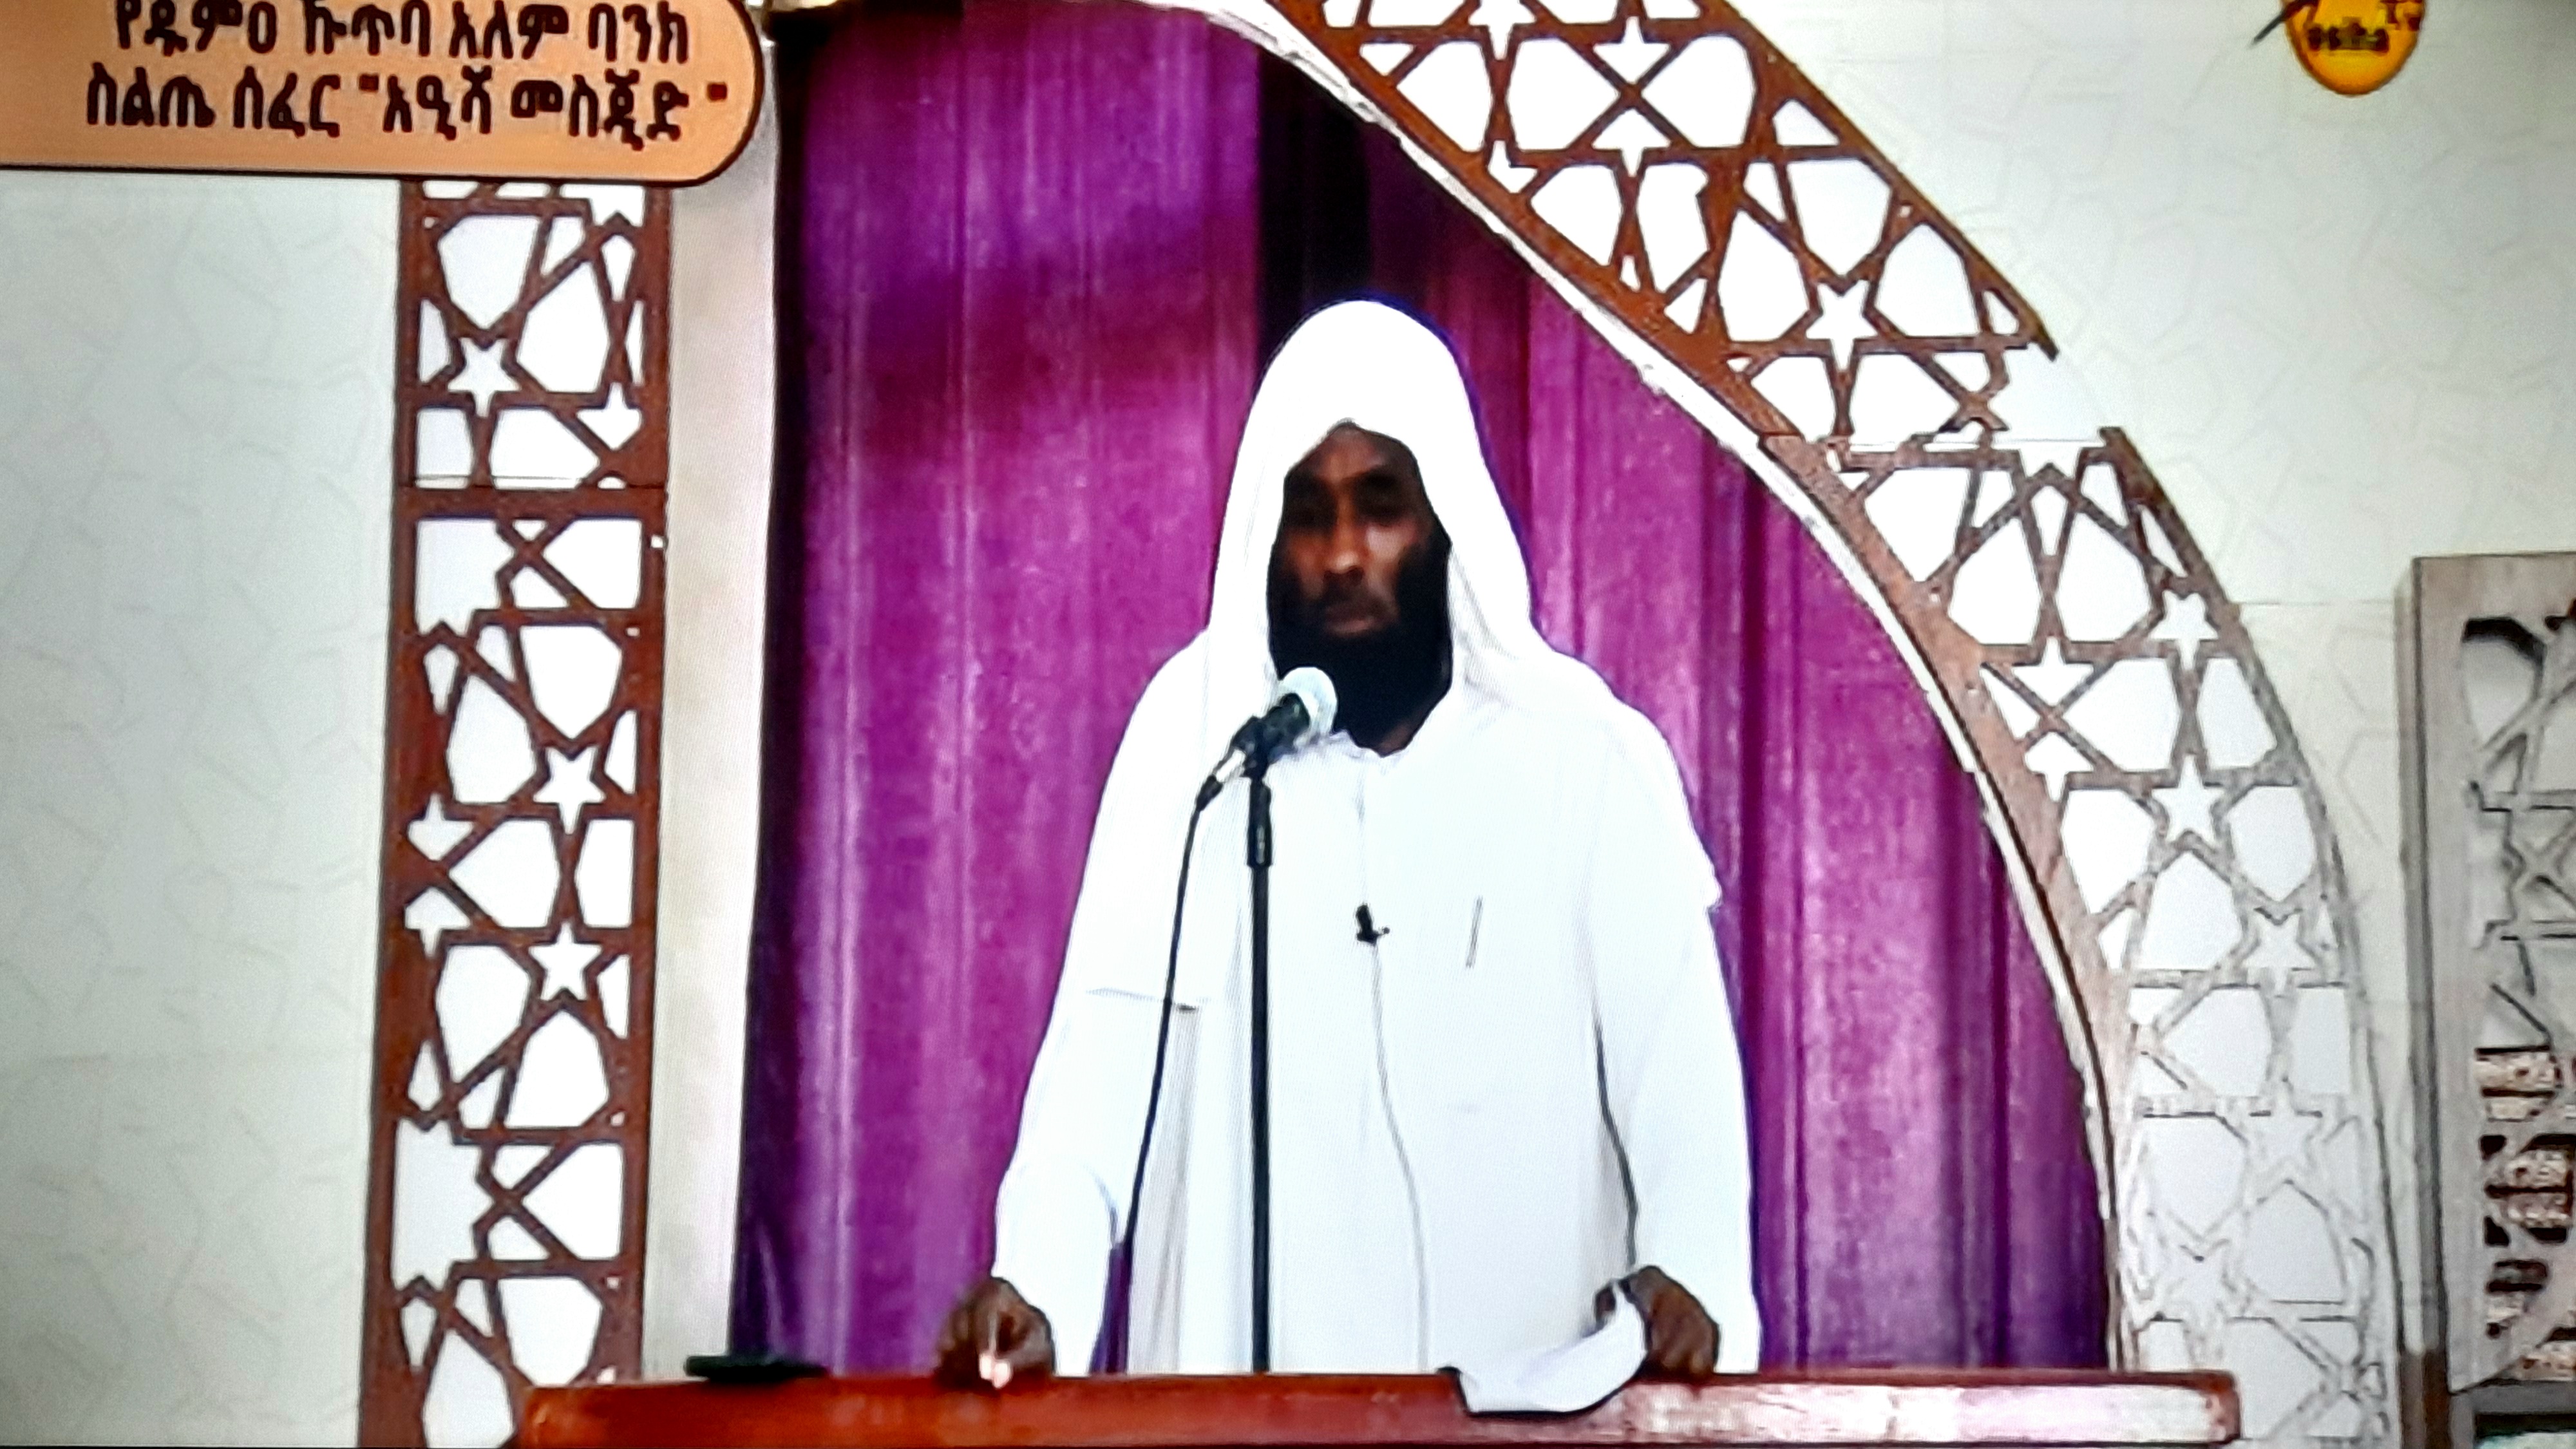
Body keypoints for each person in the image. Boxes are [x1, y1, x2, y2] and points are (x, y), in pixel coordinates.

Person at [933, 301, 1759, 1388]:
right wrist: (1036, 1285)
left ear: (1445, 522)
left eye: (1381, 508)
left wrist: (1691, 1278)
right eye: (1307, 515)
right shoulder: (1200, 742)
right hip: (1245, 1410)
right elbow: (1099, 1066)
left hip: (1523, 1402)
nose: (1341, 555)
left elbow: (1682, 1094)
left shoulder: (1585, 759)